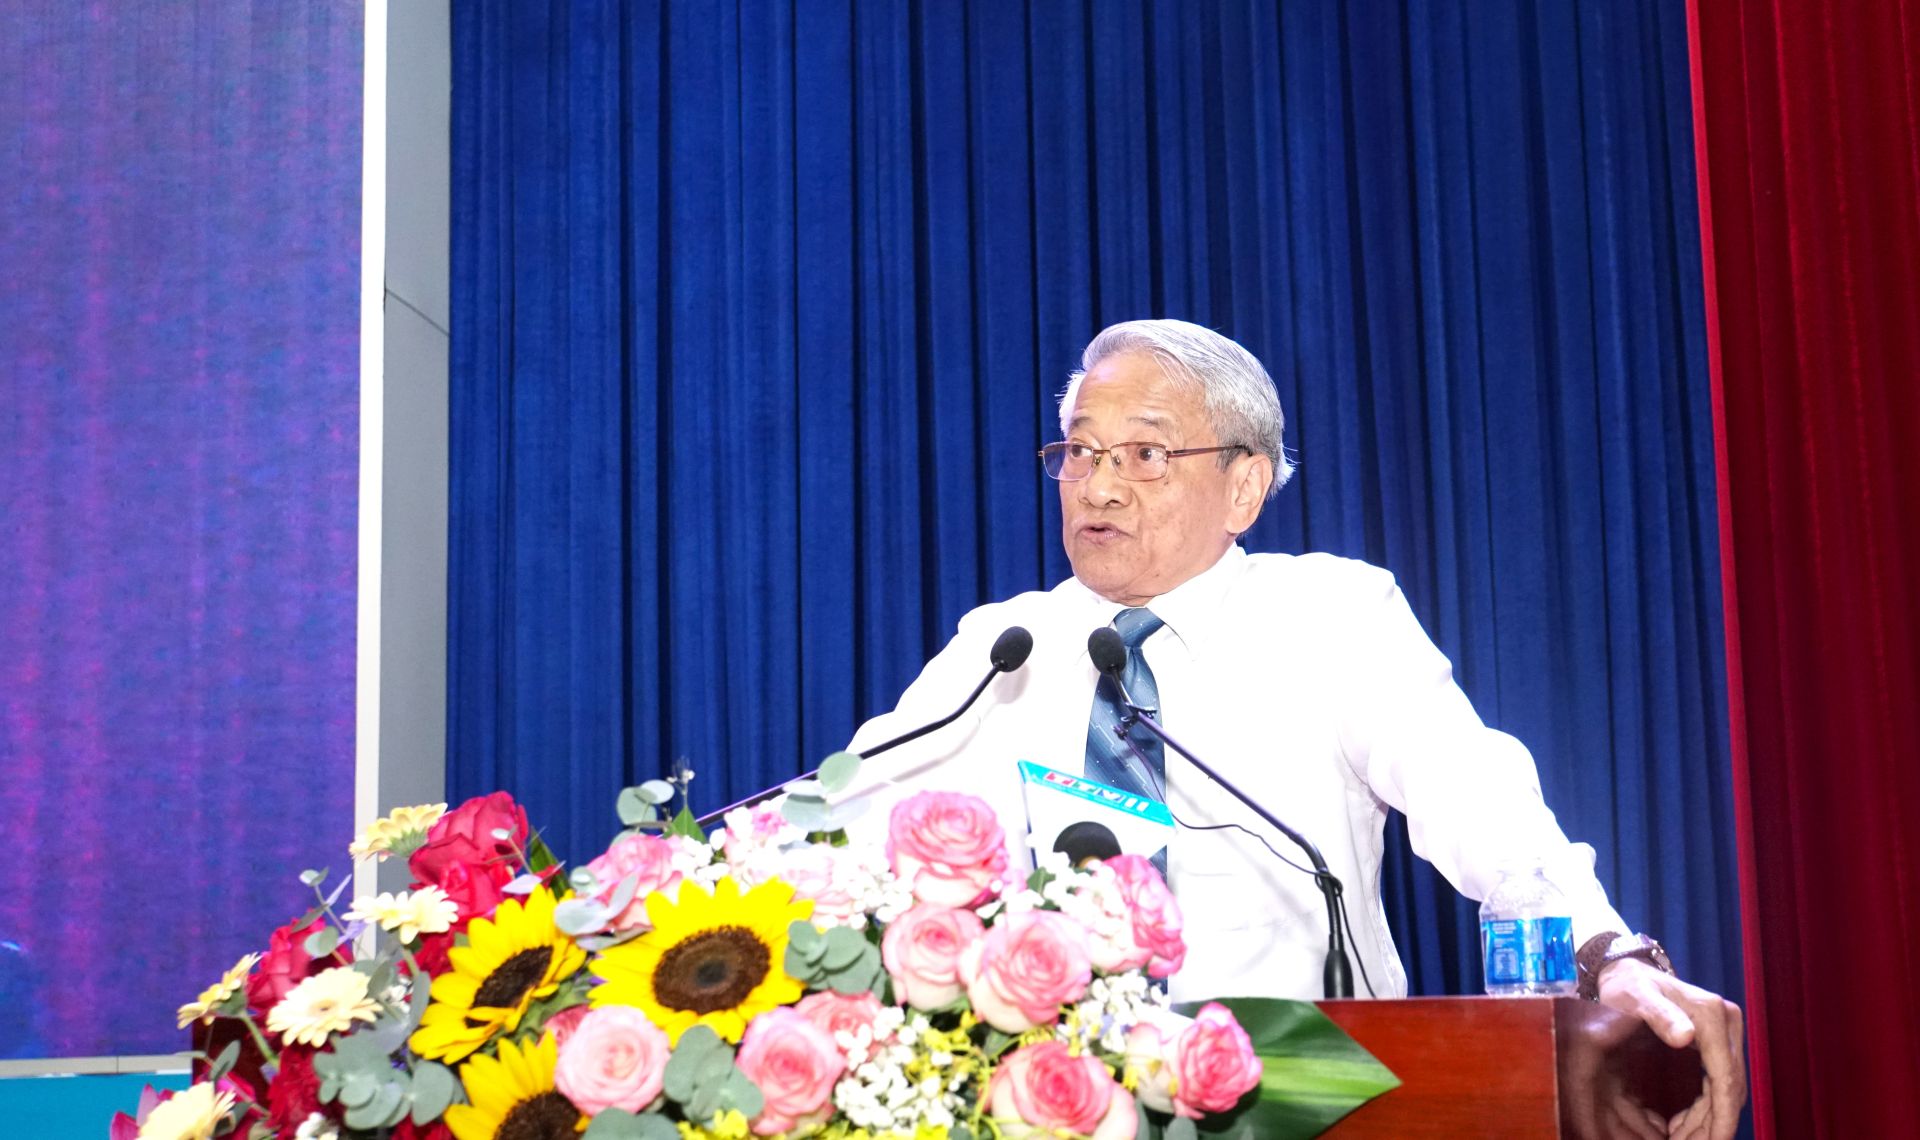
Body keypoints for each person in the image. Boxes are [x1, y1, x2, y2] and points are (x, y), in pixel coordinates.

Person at [843, 319, 1745, 1138]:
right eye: (1080, 452)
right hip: (1054, 1098)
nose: (1100, 487)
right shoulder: (1005, 645)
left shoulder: (1331, 613)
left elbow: (1478, 797)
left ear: (1244, 486)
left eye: (1144, 454)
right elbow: (843, 820)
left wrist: (1607, 951)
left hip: (1301, 1090)